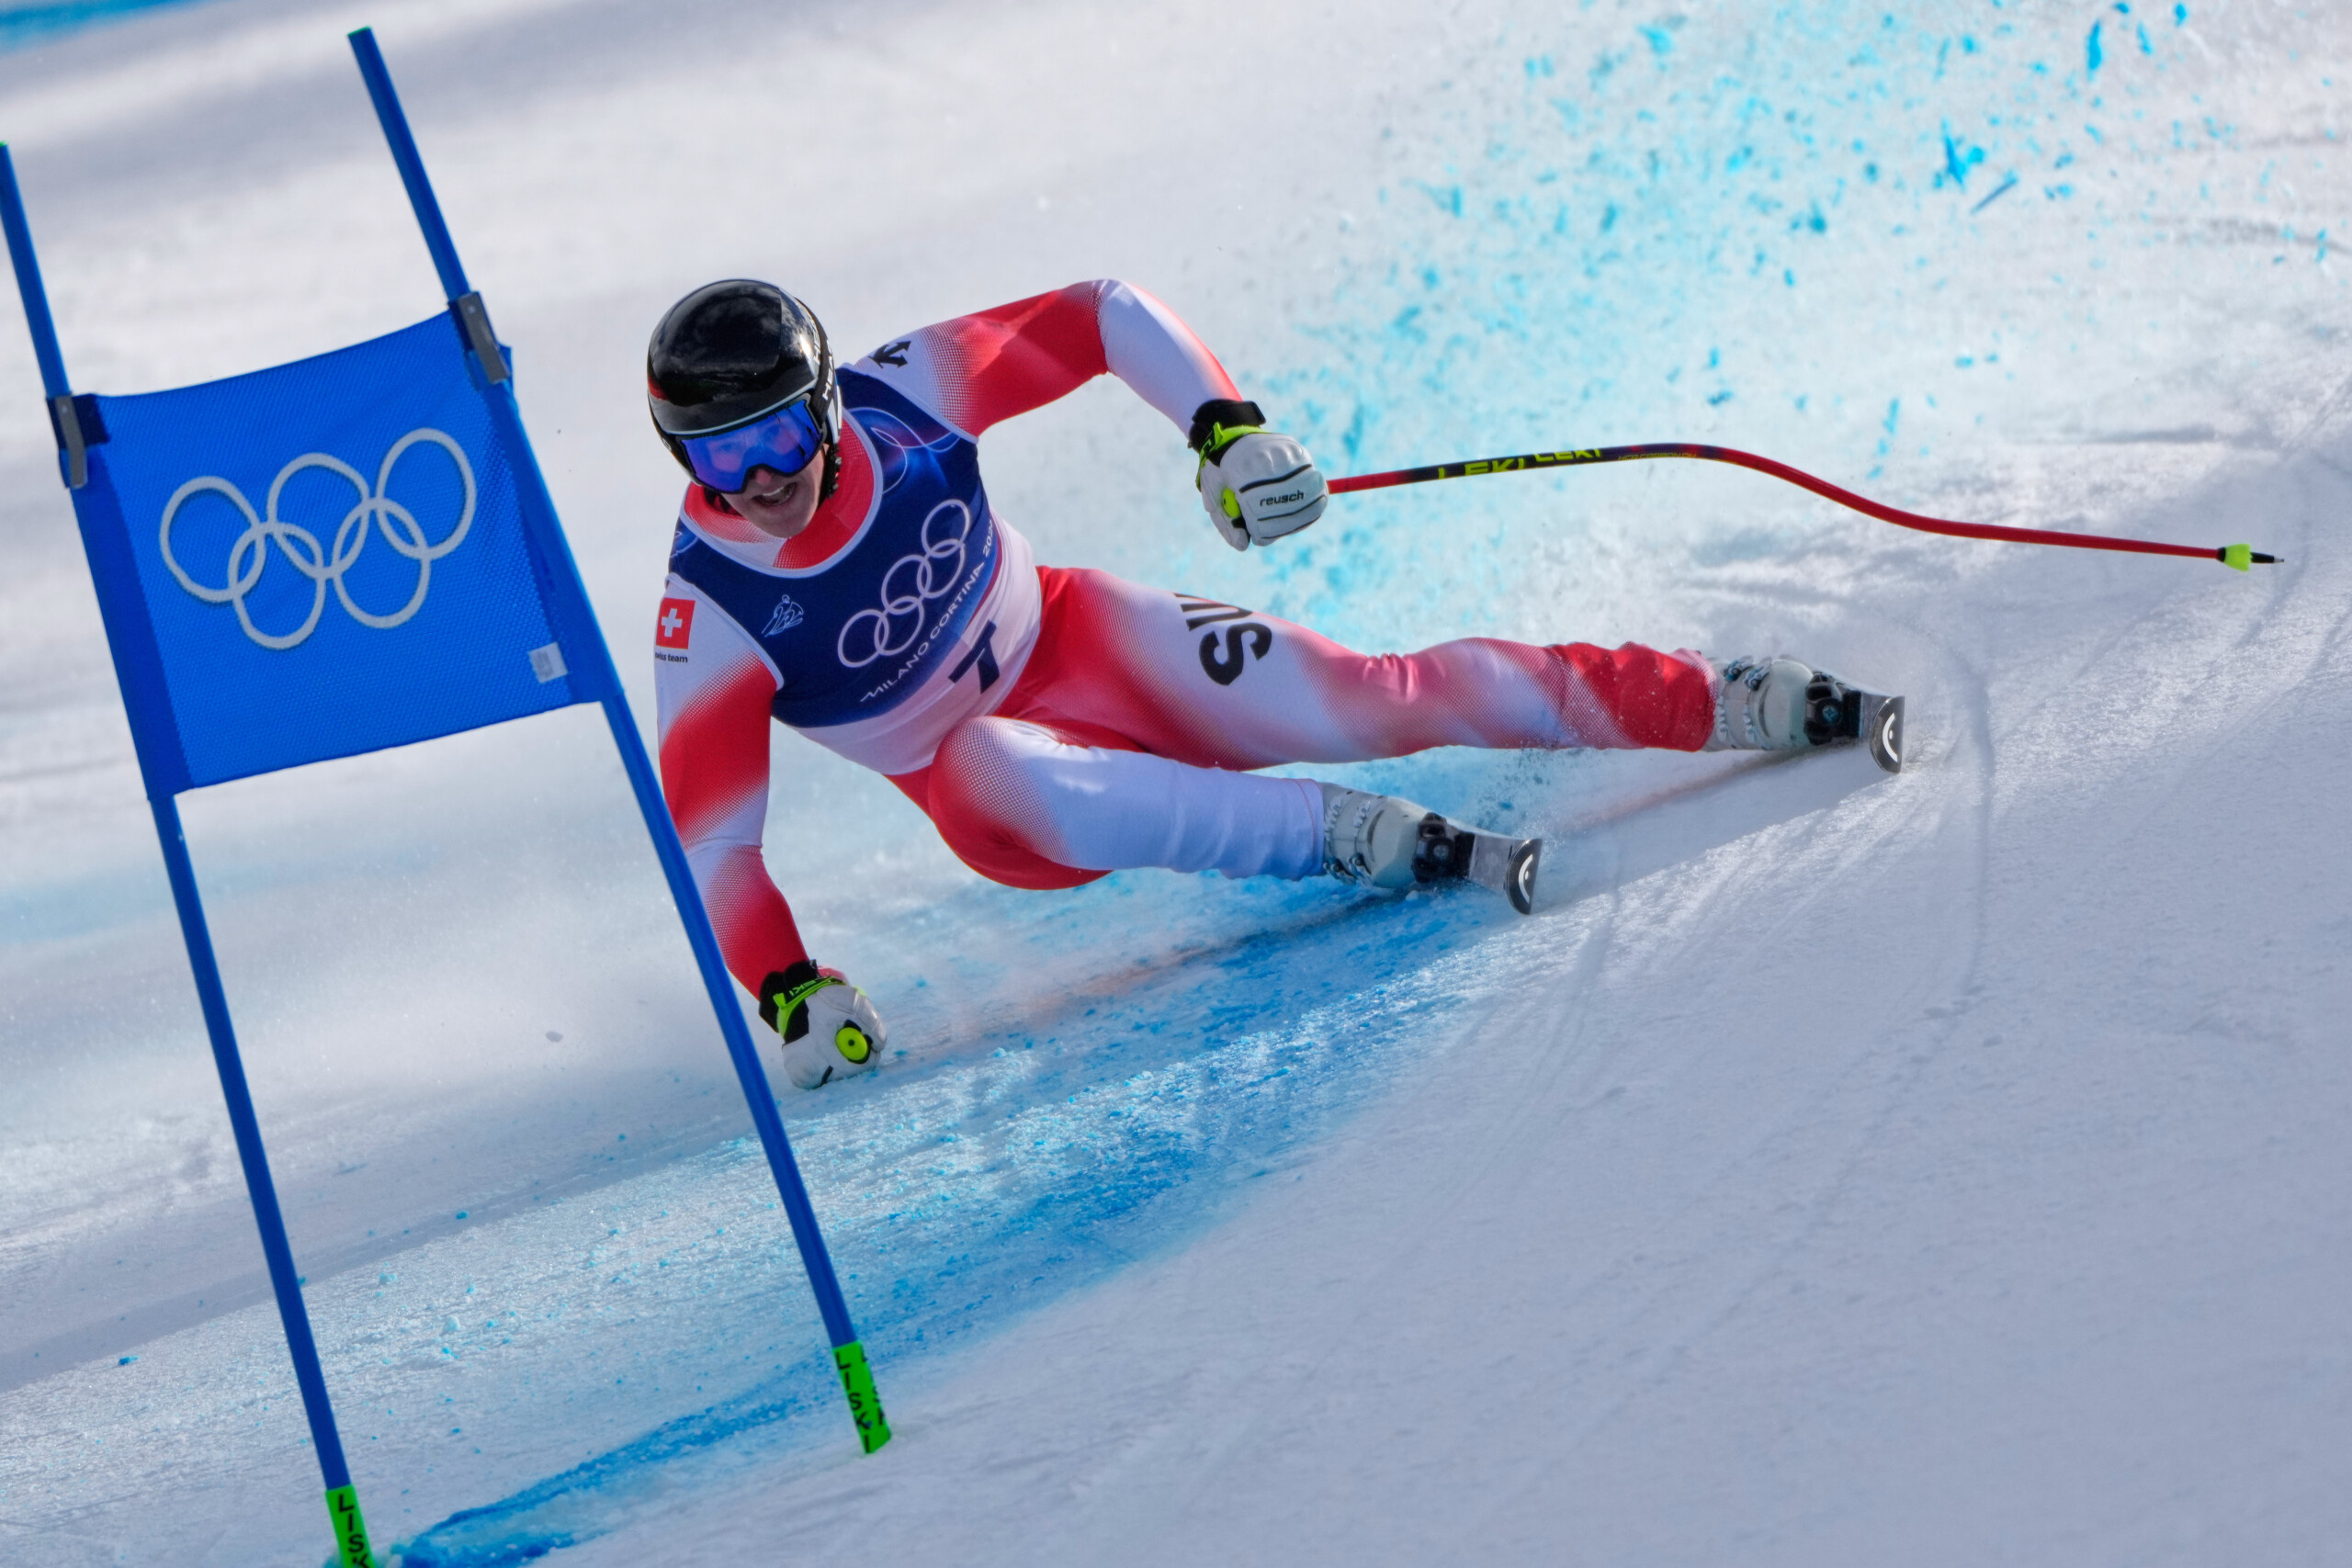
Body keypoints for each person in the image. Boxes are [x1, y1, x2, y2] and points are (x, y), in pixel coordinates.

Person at [649, 279, 1879, 1089]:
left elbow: (1097, 315)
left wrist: (1226, 431)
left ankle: (1712, 699)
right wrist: (790, 990)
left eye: (775, 436)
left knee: (1372, 700)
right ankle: (1332, 838)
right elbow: (716, 850)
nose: (759, 479)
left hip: (1086, 639)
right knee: (983, 760)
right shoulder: (710, 611)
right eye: (717, 455)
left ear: (820, 404)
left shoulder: (903, 396)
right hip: (1000, 798)